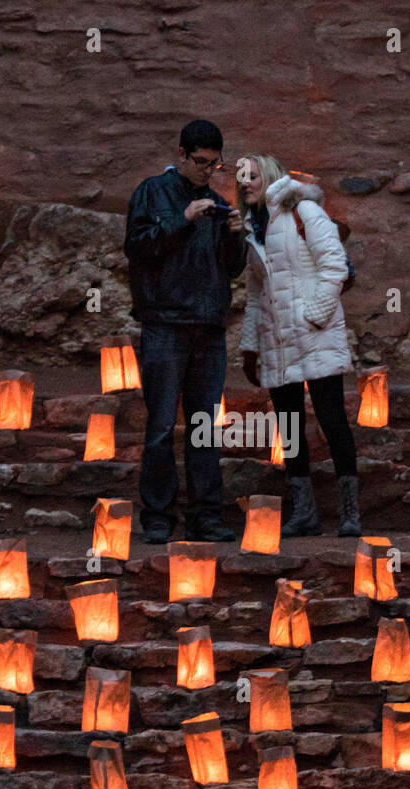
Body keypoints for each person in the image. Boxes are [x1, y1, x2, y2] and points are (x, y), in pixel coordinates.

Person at [124, 120, 247, 544]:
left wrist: (235, 238)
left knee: (204, 426)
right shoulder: (151, 192)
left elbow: (230, 269)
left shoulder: (215, 200)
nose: (207, 171)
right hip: (164, 323)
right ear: (181, 154)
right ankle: (158, 517)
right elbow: (139, 248)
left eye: (215, 164)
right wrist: (182, 219)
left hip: (209, 326)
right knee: (160, 425)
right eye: (200, 162)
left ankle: (205, 516)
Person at [237, 155, 361, 537]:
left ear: (269, 176)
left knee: (332, 421)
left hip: (314, 334)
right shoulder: (252, 228)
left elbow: (335, 266)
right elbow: (256, 294)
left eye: (252, 175)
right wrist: (250, 346)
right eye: (240, 177)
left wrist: (314, 317)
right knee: (289, 427)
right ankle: (304, 513)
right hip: (277, 341)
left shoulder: (304, 211)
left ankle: (350, 513)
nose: (244, 182)